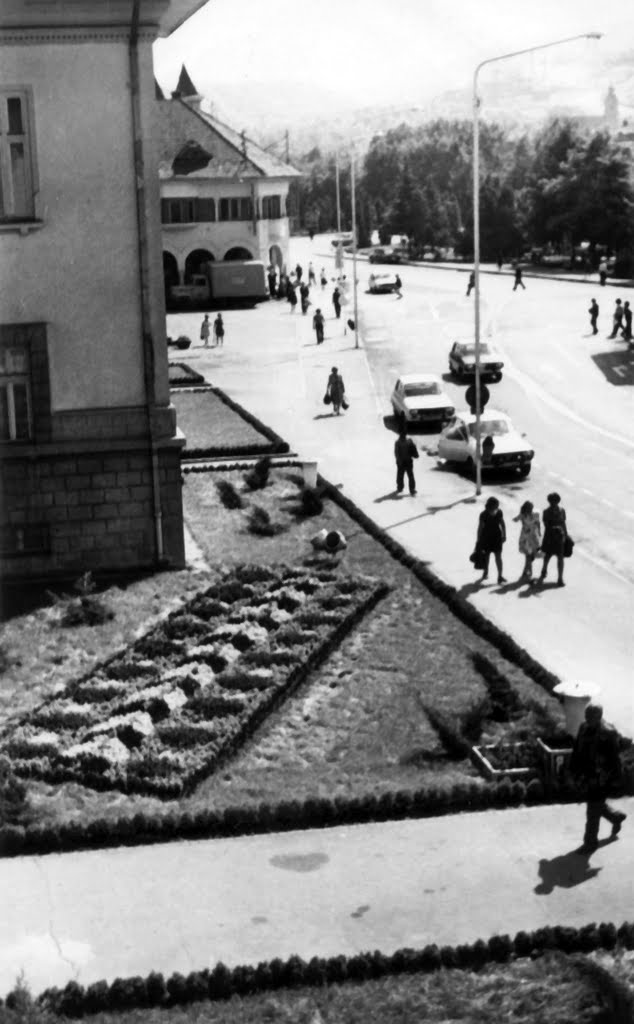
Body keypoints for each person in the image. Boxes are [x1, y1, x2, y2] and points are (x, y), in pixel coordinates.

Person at [570, 703, 626, 853]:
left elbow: (615, 760)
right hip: (586, 775)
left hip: (601, 778)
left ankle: (590, 843)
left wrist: (613, 778)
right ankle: (616, 817)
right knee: (596, 806)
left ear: (599, 717)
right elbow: (576, 749)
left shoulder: (608, 733)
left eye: (590, 717)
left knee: (592, 811)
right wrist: (572, 770)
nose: (587, 719)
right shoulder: (583, 727)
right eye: (586, 716)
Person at [476, 496, 506, 584]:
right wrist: (478, 540)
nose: (498, 506)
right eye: (496, 505)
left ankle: (500, 576)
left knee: (498, 557)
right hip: (486, 538)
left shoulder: (499, 512)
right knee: (487, 557)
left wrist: (504, 535)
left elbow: (502, 523)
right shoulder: (483, 514)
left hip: (497, 537)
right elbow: (480, 528)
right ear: (491, 505)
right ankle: (485, 572)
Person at [539, 492, 567, 586]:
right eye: (552, 501)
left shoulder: (562, 510)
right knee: (548, 555)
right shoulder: (546, 512)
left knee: (560, 558)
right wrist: (556, 529)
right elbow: (546, 525)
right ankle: (544, 569)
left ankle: (560, 578)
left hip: (560, 537)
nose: (554, 503)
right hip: (550, 537)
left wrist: (565, 535)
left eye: (555, 501)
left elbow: (563, 523)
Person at [512, 500, 541, 582]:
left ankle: (526, 571)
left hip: (532, 536)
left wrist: (539, 532)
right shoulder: (523, 515)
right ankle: (528, 572)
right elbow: (515, 519)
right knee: (528, 555)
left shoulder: (535, 514)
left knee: (530, 555)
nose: (531, 509)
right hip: (526, 537)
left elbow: (538, 523)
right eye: (530, 508)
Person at [394, 427, 418, 496]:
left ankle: (400, 487)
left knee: (400, 475)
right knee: (410, 475)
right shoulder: (409, 441)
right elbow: (413, 449)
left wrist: (399, 461)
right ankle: (412, 489)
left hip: (402, 462)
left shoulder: (398, 442)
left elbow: (396, 453)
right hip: (408, 461)